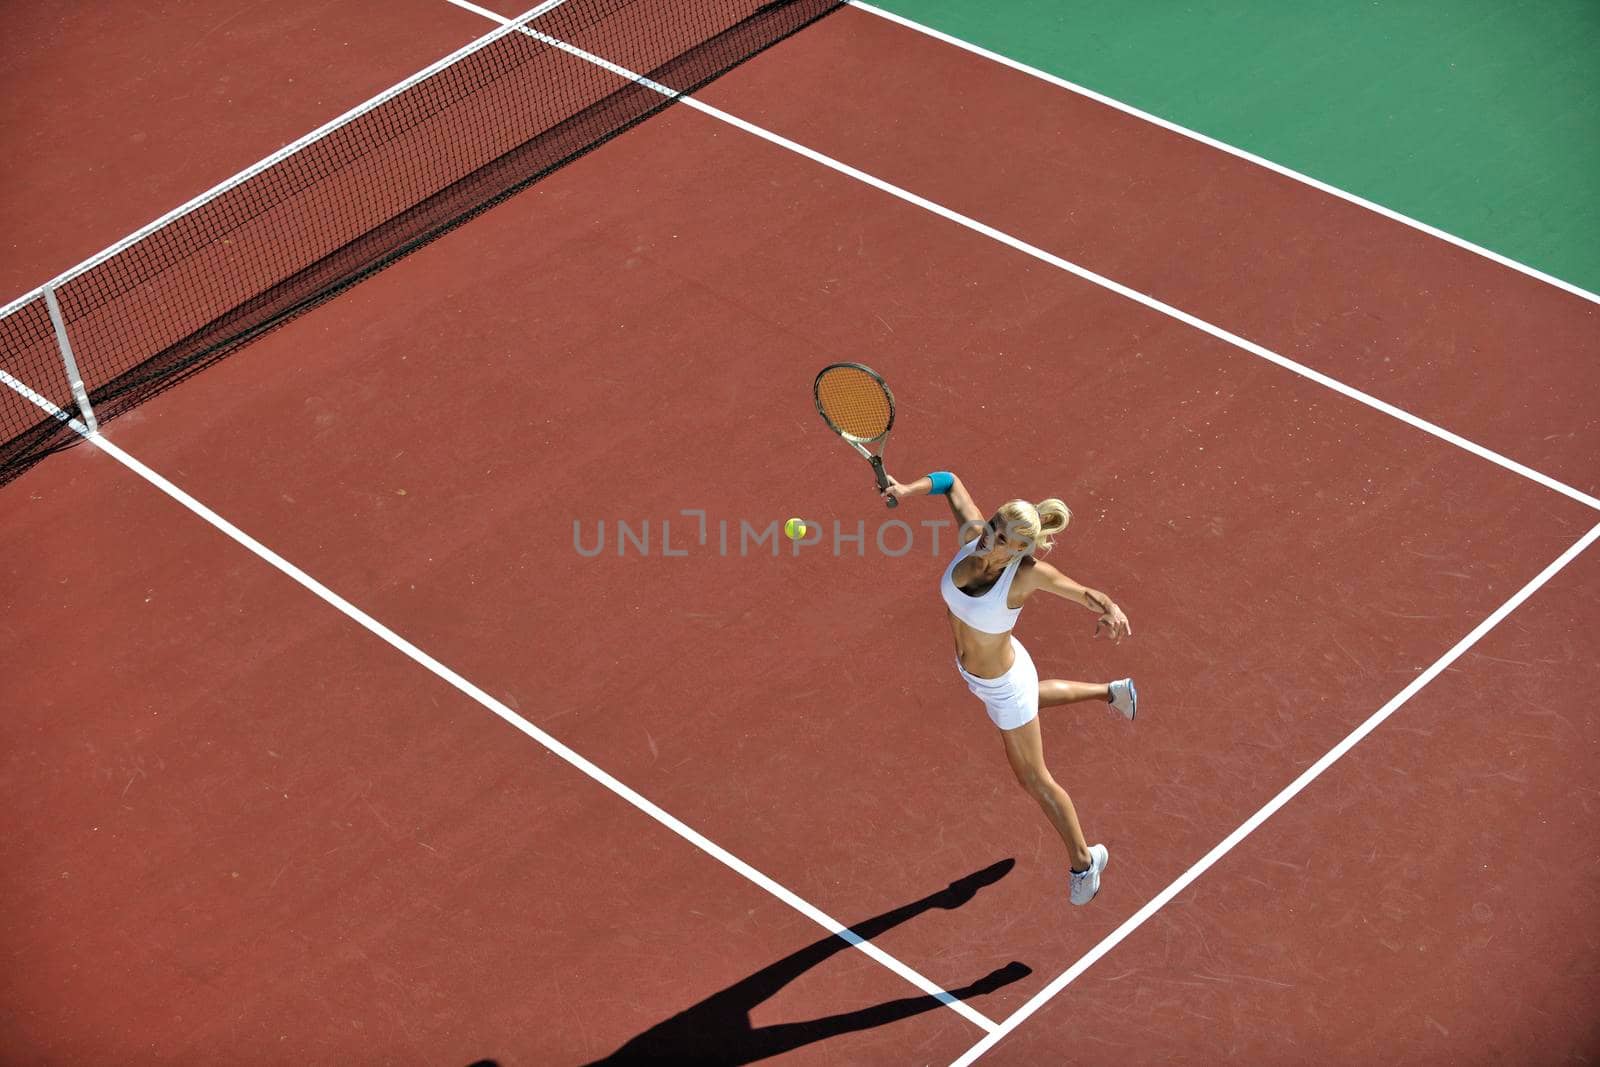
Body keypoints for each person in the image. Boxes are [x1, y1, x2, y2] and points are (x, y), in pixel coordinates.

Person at [883, 470, 1135, 905]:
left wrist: (1110, 608)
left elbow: (1084, 594)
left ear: (1021, 550)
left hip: (1003, 684)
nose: (990, 539)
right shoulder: (976, 534)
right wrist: (908, 489)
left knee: (1034, 778)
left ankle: (1085, 860)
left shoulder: (1026, 575)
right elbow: (950, 481)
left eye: (1003, 539)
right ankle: (1111, 692)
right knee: (1030, 701)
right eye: (994, 527)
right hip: (990, 674)